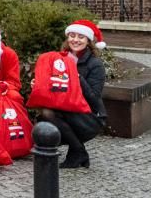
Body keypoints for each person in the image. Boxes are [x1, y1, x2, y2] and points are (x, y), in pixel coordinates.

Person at [35, 20, 107, 169]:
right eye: (72, 35)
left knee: (52, 114)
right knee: (47, 112)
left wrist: (75, 74)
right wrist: (41, 85)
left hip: (90, 116)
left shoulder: (95, 65)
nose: (75, 40)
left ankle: (77, 152)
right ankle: (79, 151)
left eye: (81, 37)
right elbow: (57, 88)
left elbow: (93, 98)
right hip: (67, 108)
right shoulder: (59, 59)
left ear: (88, 41)